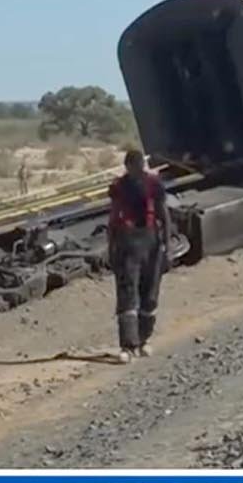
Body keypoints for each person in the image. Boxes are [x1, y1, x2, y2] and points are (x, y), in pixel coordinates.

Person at [107, 149, 170, 362]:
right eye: (134, 164)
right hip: (127, 243)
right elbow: (114, 218)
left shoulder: (154, 184)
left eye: (140, 163)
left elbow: (163, 214)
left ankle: (144, 340)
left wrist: (167, 245)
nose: (138, 167)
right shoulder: (119, 188)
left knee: (150, 294)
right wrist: (111, 248)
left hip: (150, 242)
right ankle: (128, 346)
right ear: (127, 166)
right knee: (127, 294)